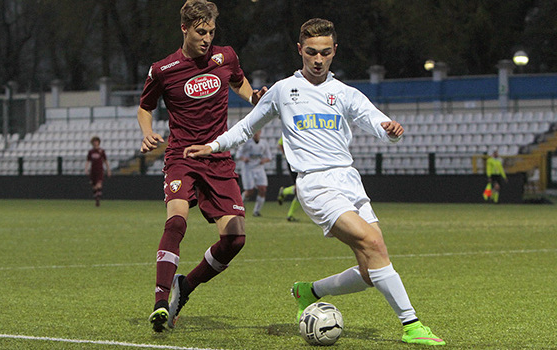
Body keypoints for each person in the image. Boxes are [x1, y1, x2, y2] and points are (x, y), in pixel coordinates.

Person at [184, 18, 445, 346]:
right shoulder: (283, 91)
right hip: (316, 184)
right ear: (300, 51)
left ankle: (311, 291)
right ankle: (412, 325)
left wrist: (390, 130)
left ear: (334, 51)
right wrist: (213, 145)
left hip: (350, 181)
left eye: (324, 52)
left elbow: (376, 120)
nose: (318, 59)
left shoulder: (345, 93)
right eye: (311, 52)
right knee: (374, 245)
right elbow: (247, 127)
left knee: (370, 270)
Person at [136, 0, 267, 332]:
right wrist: (148, 131)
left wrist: (253, 98)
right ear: (184, 29)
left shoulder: (226, 56)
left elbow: (237, 81)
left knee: (235, 240)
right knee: (177, 221)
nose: (207, 38)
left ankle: (186, 287)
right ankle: (160, 302)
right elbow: (145, 106)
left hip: (219, 157)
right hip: (182, 156)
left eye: (210, 31)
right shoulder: (163, 70)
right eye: (200, 32)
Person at [236, 130, 272, 217]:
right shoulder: (246, 143)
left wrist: (264, 160)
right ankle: (240, 205)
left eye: (258, 131)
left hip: (259, 168)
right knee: (249, 191)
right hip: (248, 169)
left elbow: (269, 157)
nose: (256, 134)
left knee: (263, 189)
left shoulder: (264, 143)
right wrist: (244, 158)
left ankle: (256, 211)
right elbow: (238, 155)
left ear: (260, 132)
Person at [276, 137, 301, 221]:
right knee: (300, 188)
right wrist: (287, 155)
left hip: (302, 162)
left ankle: (285, 192)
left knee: (300, 188)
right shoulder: (290, 130)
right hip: (294, 163)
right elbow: (280, 144)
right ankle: (290, 215)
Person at [84, 136, 111, 207]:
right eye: (94, 142)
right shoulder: (91, 152)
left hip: (100, 170)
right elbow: (88, 161)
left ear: (99, 142)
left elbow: (105, 161)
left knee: (99, 185)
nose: (95, 143)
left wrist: (108, 170)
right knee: (94, 187)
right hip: (93, 171)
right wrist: (86, 169)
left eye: (96, 141)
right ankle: (97, 198)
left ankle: (98, 199)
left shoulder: (101, 151)